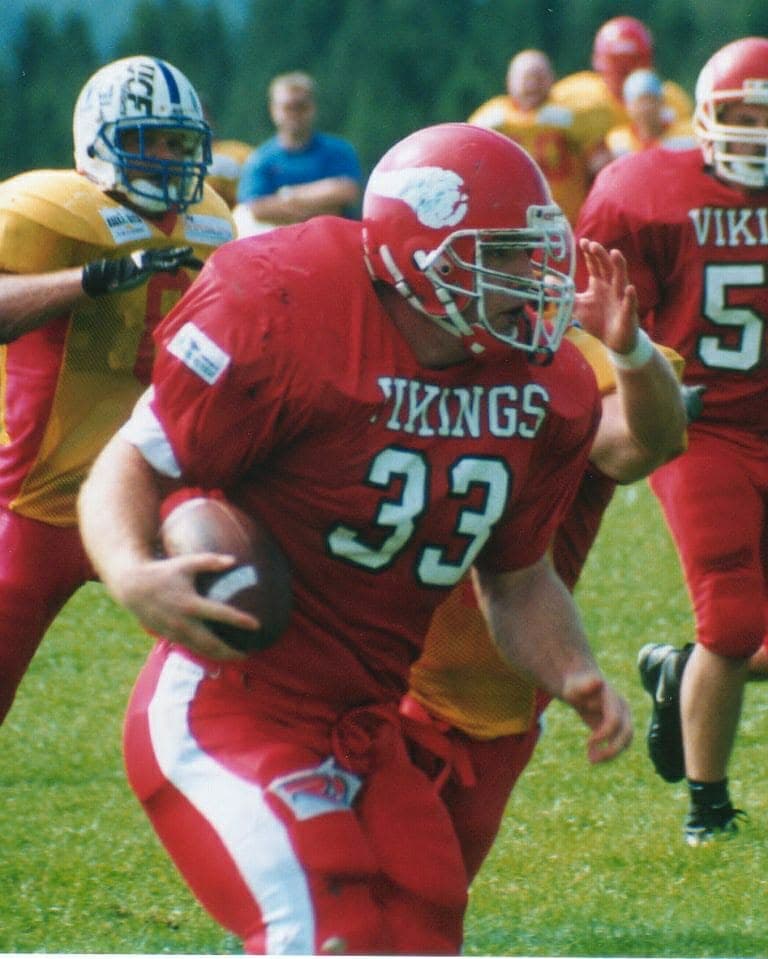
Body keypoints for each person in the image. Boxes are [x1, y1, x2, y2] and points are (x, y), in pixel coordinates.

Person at [78, 123, 633, 955]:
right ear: (421, 256)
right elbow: (136, 456)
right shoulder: (286, 306)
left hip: (366, 727)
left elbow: (515, 580)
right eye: (507, 254)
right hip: (229, 708)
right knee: (319, 931)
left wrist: (574, 670)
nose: (536, 278)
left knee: (424, 926)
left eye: (534, 251)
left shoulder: (543, 386)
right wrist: (129, 569)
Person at [408, 255, 687, 882]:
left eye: (518, 252)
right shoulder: (395, 341)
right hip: (375, 668)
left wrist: (631, 351)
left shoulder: (572, 357)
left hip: (508, 677)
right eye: (493, 252)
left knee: (433, 901)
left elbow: (640, 444)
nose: (509, 275)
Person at [0, 55, 234, 728]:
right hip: (33, 498)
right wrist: (91, 280)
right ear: (99, 140)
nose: (166, 159)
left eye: (179, 143)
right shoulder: (49, 212)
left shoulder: (208, 220)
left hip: (149, 488)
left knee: (246, 641)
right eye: (147, 141)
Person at [575, 36, 768, 847]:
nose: (757, 134)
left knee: (741, 636)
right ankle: (708, 807)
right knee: (731, 618)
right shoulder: (645, 189)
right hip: (703, 424)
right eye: (742, 116)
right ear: (704, 119)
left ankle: (675, 672)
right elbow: (601, 322)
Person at [468, 49, 601, 224]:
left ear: (552, 78)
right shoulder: (490, 118)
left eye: (539, 77)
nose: (532, 85)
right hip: (513, 223)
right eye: (526, 78)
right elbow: (468, 165)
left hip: (567, 222)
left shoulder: (573, 113)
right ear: (510, 81)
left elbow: (601, 165)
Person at [551, 15, 693, 174]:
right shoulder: (576, 93)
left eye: (633, 62)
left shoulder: (672, 98)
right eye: (616, 64)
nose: (625, 72)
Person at [233, 70, 362, 236]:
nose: (295, 114)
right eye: (288, 107)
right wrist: (322, 205)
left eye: (301, 106)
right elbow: (256, 209)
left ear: (312, 108)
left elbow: (347, 192)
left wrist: (287, 195)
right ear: (274, 110)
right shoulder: (260, 159)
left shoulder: (338, 150)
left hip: (334, 242)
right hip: (280, 247)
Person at [605, 69, 696, 159]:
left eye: (651, 101)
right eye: (640, 102)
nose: (646, 108)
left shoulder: (688, 134)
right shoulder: (616, 142)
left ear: (662, 102)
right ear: (628, 106)